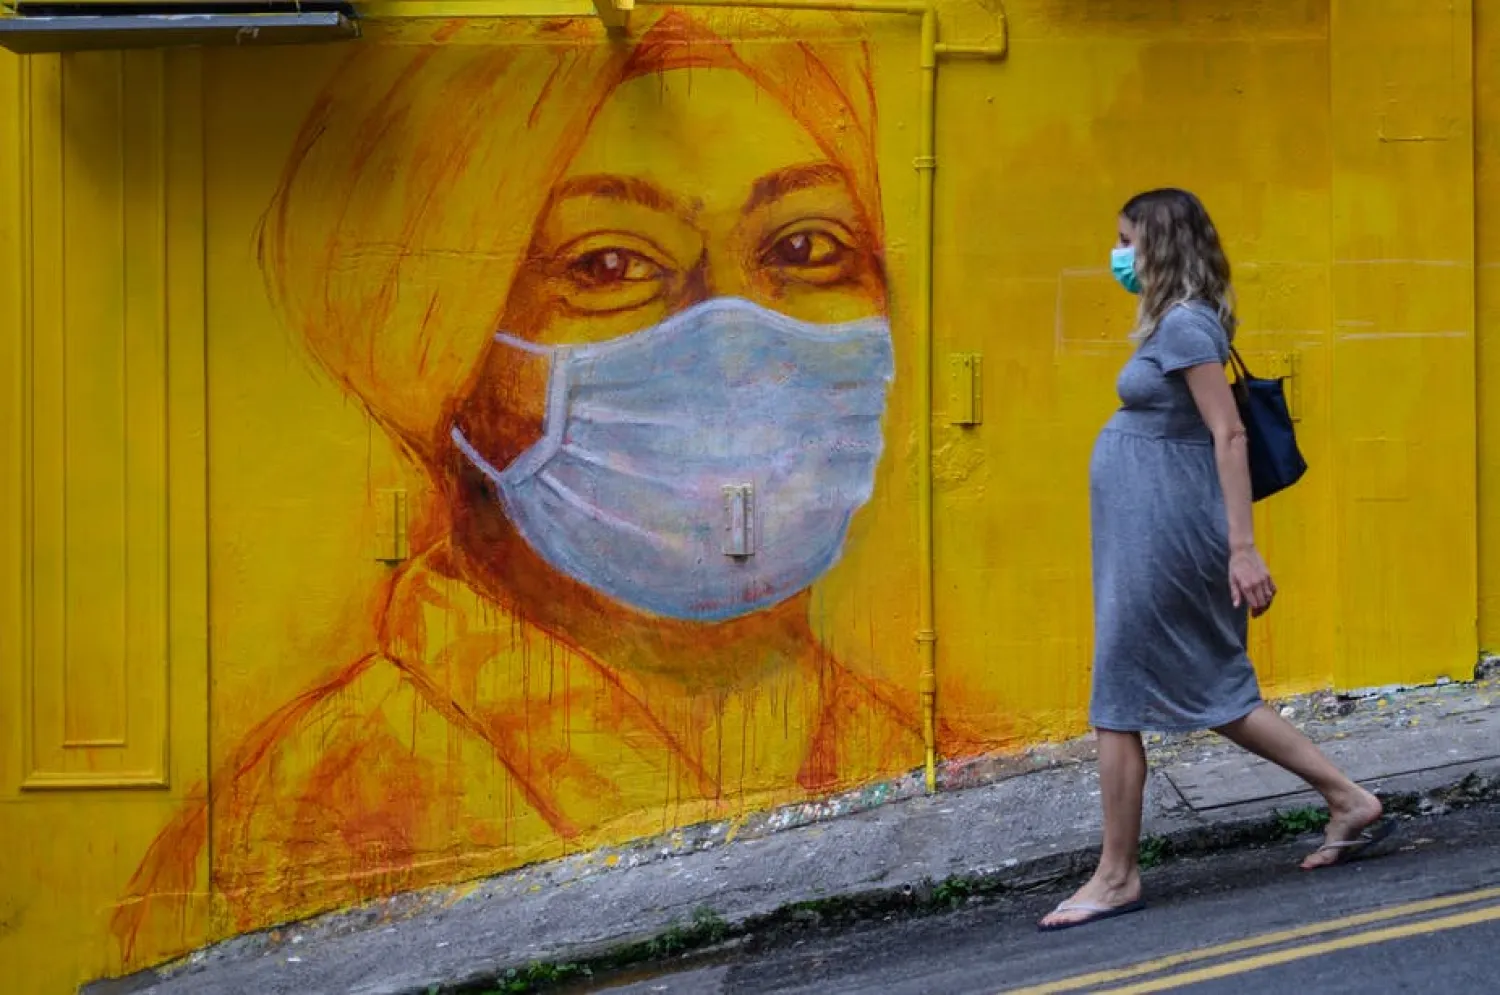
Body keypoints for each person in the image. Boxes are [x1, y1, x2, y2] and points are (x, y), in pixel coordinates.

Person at [109, 11, 988, 971]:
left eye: (808, 249)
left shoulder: (903, 745)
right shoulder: (310, 822)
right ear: (447, 356)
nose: (736, 326)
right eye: (609, 265)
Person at [1039, 188, 1388, 931]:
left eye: (1127, 240)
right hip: (1151, 529)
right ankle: (1349, 798)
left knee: (1122, 694)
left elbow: (1228, 436)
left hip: (1171, 535)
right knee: (1211, 689)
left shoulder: (1188, 324)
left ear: (1159, 244)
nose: (1119, 256)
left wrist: (1241, 548)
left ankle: (1117, 874)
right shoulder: (1177, 322)